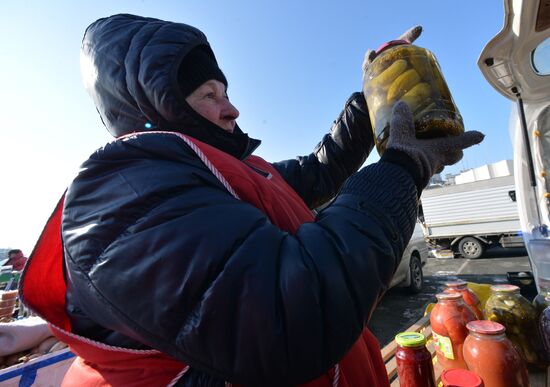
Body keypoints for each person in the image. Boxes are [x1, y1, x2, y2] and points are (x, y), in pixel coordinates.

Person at [20, 14, 483, 387]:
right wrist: (402, 170)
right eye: (208, 94)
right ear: (158, 106)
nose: (232, 108)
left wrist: (371, 96)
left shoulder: (226, 172)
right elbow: (291, 315)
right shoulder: (124, 188)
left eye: (226, 91)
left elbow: (321, 169)